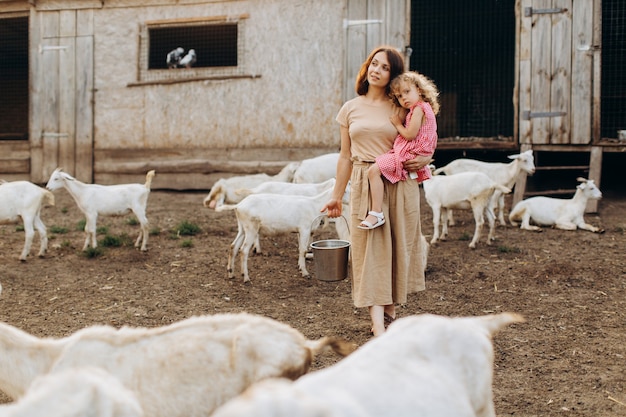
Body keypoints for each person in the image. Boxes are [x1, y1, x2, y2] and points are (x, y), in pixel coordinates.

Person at [321, 46, 433, 337]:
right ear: (366, 67)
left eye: (384, 67)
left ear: (393, 75)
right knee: (369, 251)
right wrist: (336, 194)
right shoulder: (350, 108)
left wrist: (426, 158)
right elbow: (345, 156)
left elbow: (424, 135)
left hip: (398, 181)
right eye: (374, 64)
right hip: (365, 181)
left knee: (395, 249)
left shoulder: (402, 106)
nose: (377, 70)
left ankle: (390, 315)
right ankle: (378, 323)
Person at [358, 71, 440, 230]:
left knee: (373, 172)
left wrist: (397, 124)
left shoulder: (418, 109)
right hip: (412, 152)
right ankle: (377, 212)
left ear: (419, 89)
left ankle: (376, 213)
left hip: (408, 153)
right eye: (400, 96)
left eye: (407, 92)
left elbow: (410, 135)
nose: (404, 99)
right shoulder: (425, 108)